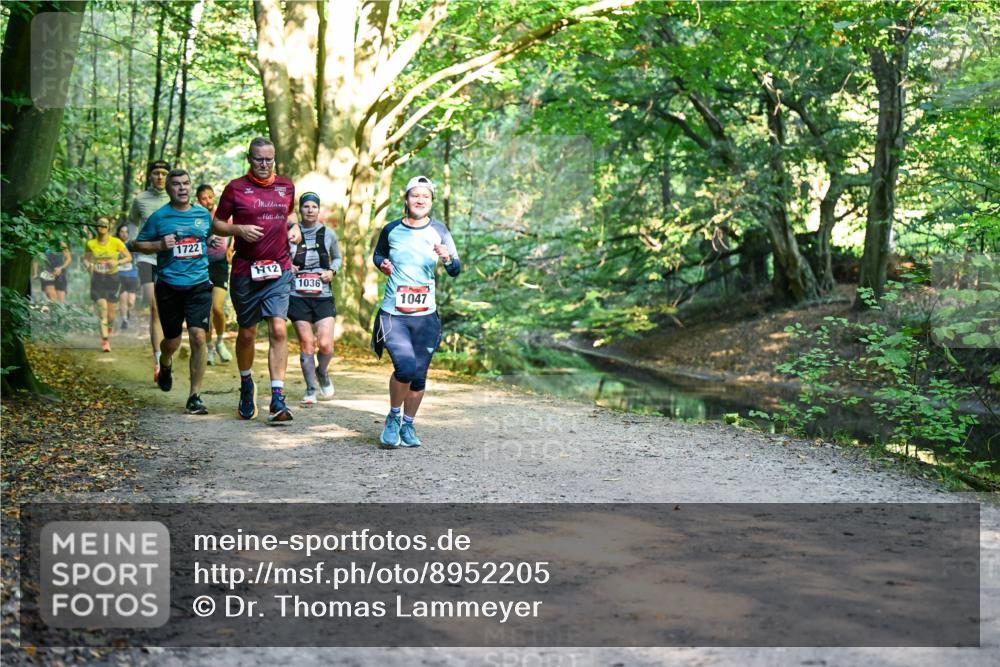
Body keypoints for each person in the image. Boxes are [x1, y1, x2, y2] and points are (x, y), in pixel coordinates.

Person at [211, 137, 297, 423]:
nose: (264, 164)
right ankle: (247, 383)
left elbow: (290, 215)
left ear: (274, 160)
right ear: (249, 159)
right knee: (247, 333)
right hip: (246, 271)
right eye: (258, 159)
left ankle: (277, 398)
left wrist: (294, 229)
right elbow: (218, 224)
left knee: (278, 329)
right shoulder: (235, 188)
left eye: (269, 159)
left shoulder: (286, 186)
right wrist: (238, 230)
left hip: (279, 268)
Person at [371, 175, 461, 449]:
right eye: (415, 195)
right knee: (405, 367)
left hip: (425, 316)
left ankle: (408, 425)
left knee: (419, 376)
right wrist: (383, 265)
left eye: (426, 196)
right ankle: (394, 417)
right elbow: (378, 255)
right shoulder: (391, 229)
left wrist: (446, 258)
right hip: (394, 314)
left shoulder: (440, 231)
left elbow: (455, 269)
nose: (420, 200)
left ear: (431, 201)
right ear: (406, 199)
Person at [133, 169, 213, 415]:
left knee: (199, 337)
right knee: (173, 341)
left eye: (186, 183)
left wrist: (212, 243)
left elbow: (207, 238)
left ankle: (194, 396)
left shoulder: (203, 214)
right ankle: (165, 362)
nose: (182, 188)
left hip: (199, 283)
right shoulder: (159, 217)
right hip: (169, 285)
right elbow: (137, 243)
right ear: (168, 189)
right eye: (176, 184)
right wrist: (159, 245)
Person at [288, 192, 341, 405]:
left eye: (314, 207)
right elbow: (279, 255)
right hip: (297, 296)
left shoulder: (328, 234)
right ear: (300, 210)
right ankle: (310, 389)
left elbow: (337, 257)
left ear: (319, 210)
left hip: (323, 296)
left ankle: (323, 372)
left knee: (326, 345)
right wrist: (287, 266)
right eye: (306, 206)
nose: (310, 210)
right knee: (307, 344)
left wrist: (332, 272)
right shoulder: (291, 233)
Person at [129, 159, 171, 382]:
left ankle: (167, 355)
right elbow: (132, 221)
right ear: (150, 176)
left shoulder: (175, 199)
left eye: (164, 173)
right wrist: (133, 242)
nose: (160, 177)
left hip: (170, 260)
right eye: (156, 173)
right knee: (154, 308)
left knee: (169, 310)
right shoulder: (140, 200)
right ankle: (158, 362)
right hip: (146, 258)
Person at [197, 183, 234, 365]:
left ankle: (220, 342)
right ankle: (209, 347)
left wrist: (231, 249)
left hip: (219, 265)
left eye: (210, 197)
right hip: (201, 265)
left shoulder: (223, 214)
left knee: (218, 308)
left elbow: (234, 231)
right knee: (206, 311)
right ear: (198, 200)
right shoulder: (195, 215)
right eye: (204, 198)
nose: (208, 201)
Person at [83, 217, 131, 353]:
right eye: (99, 224)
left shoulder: (115, 242)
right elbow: (86, 260)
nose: (102, 226)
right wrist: (89, 266)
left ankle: (108, 328)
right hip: (98, 279)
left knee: (111, 315)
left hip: (112, 279)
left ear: (109, 227)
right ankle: (105, 340)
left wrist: (117, 263)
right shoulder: (90, 243)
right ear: (96, 227)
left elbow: (128, 257)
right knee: (102, 309)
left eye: (105, 224)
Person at [116, 224, 140, 330]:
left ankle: (127, 311)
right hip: (120, 275)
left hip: (133, 275)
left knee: (131, 301)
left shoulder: (132, 245)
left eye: (126, 232)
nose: (124, 234)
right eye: (122, 231)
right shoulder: (115, 244)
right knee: (123, 298)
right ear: (118, 233)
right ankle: (124, 320)